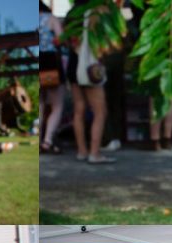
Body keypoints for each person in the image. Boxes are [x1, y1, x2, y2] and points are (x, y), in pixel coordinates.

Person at [65, 0, 115, 164]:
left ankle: (82, 150)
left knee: (79, 109)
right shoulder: (97, 11)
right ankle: (94, 152)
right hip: (89, 66)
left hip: (74, 63)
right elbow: (103, 42)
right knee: (100, 111)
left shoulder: (72, 13)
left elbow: (66, 40)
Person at [40, 0, 65, 154]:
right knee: (57, 105)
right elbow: (61, 39)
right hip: (50, 62)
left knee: (41, 103)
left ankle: (39, 137)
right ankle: (47, 141)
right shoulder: (50, 18)